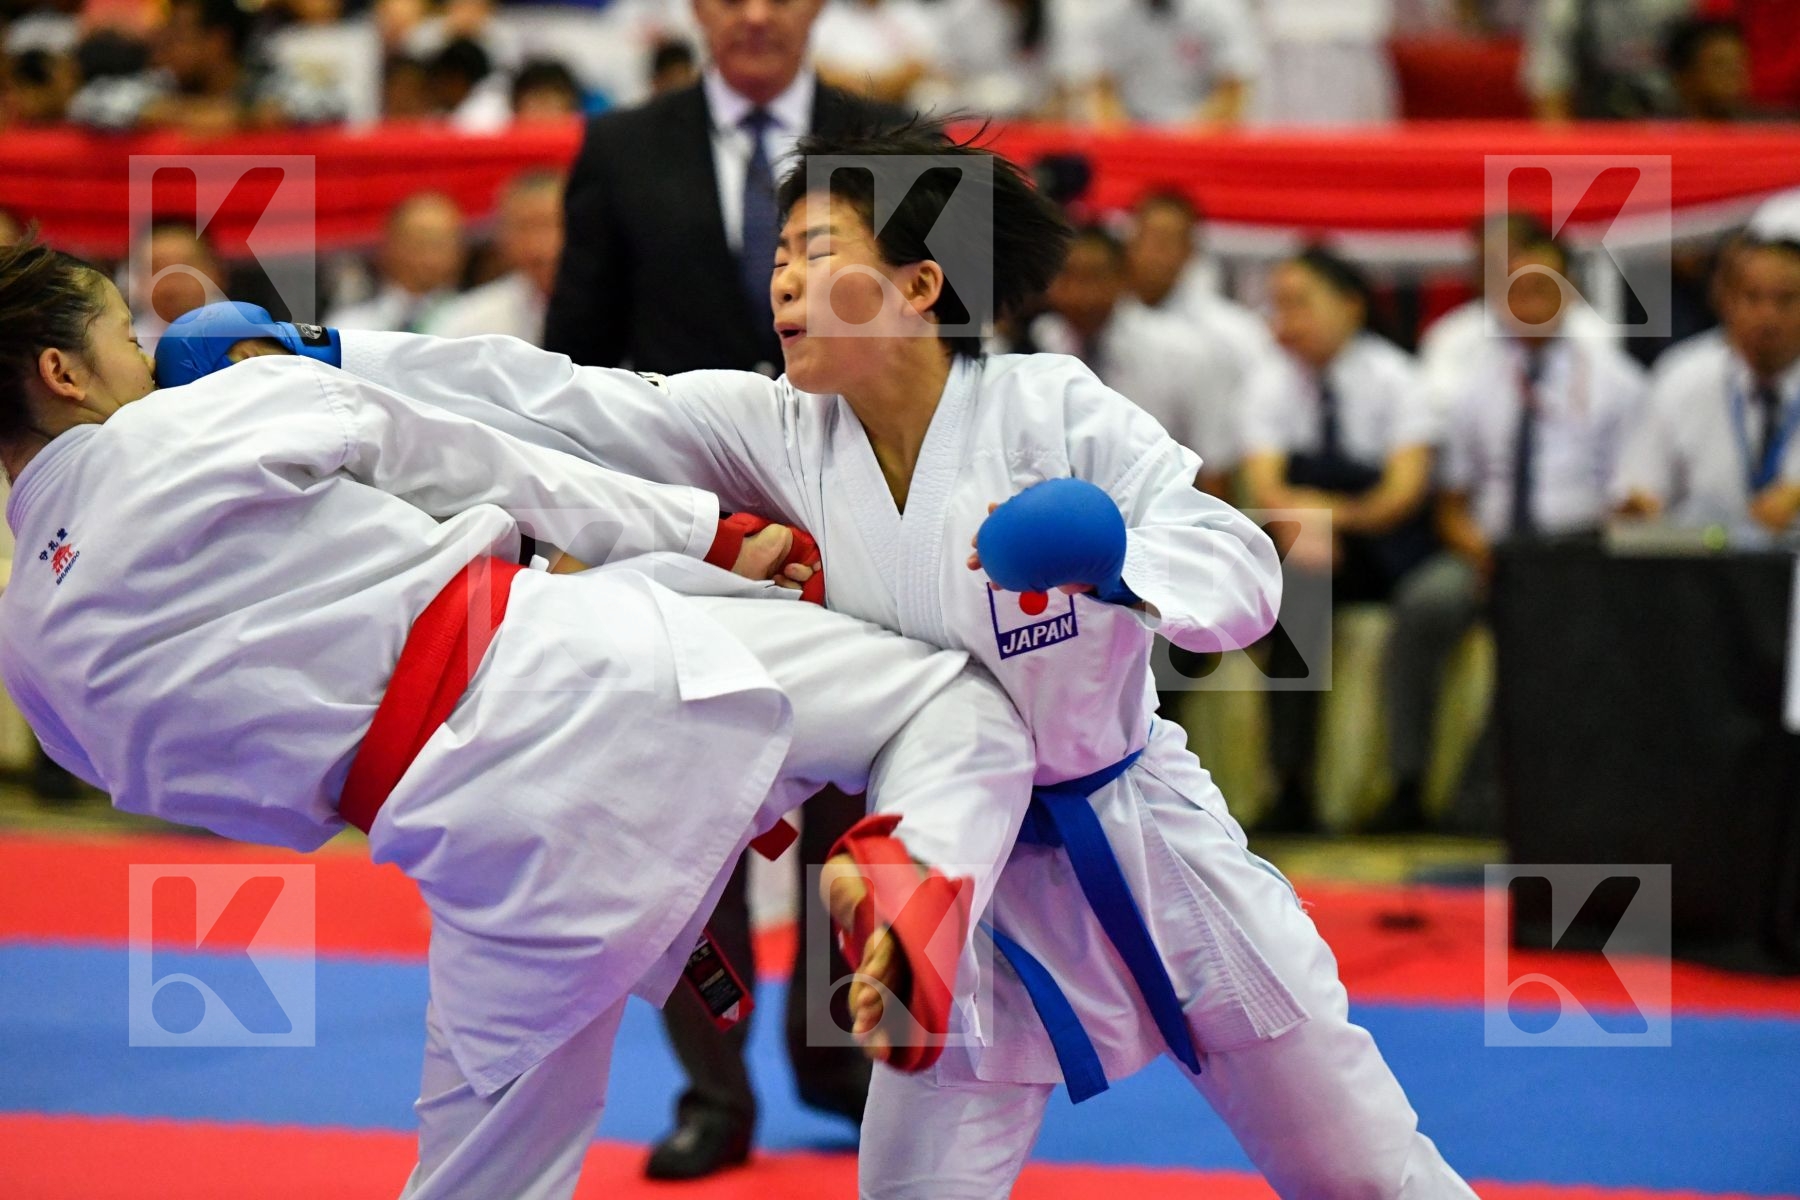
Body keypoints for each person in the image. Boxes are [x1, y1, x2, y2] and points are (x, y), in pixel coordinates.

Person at [261, 117, 1477, 1199]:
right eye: (780, 257)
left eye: (818, 254)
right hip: (948, 883)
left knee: (1365, 1175)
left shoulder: (1052, 409)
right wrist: (324, 353)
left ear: (918, 283)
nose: (783, 283)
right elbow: (563, 401)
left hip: (1147, 846)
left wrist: (1117, 568)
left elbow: (1246, 573)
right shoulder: (778, 428)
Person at [0, 235, 1038, 1200]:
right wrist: (706, 531)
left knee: (480, 1178)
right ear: (63, 374)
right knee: (955, 701)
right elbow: (477, 454)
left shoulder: (31, 654)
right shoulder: (198, 417)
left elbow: (179, 790)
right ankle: (915, 872)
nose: (150, 361)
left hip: (461, 845)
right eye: (125, 341)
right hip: (577, 671)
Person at [543, 0, 907, 1174]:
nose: (754, 13)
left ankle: (841, 1055)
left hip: (859, 493)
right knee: (684, 794)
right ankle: (714, 1088)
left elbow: (953, 326)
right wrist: (562, 519)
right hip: (683, 514)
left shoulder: (883, 138)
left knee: (853, 791)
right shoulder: (621, 147)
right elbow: (572, 357)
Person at [1381, 233, 1647, 833]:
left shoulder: (1616, 382)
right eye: (1515, 288)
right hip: (1486, 549)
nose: (1528, 301)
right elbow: (1451, 502)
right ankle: (1406, 781)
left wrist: (1561, 557)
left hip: (1574, 553)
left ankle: (1483, 801)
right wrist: (1478, 550)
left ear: (1573, 294)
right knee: (1420, 607)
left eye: (1542, 288)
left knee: (1546, 626)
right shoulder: (1477, 382)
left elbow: (1631, 501)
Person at [1239, 247, 1440, 834]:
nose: (1287, 320)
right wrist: (1308, 525)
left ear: (1351, 306)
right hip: (1310, 546)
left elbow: (1403, 491)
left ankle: (1407, 787)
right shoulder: (1269, 380)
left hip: (1390, 546)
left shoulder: (1399, 377)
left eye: (1301, 303)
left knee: (1426, 599)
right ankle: (1292, 784)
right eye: (1279, 305)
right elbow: (1267, 484)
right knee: (1296, 587)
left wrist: (1332, 517)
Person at [1027, 223, 1236, 494]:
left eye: (1094, 277)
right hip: (1057, 514)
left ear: (1124, 278)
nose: (1080, 294)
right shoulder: (1037, 345)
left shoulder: (1182, 352)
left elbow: (1214, 467)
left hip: (1159, 510)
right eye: (1067, 276)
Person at [1614, 235, 1800, 534]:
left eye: (1786, 299)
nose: (1768, 316)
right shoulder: (1681, 378)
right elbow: (1640, 489)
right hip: (1707, 569)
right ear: (1724, 300)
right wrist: (1636, 507)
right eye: (1752, 297)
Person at [1047, 0, 1263, 126]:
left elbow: (1234, 91)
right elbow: (1101, 87)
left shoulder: (1221, 10)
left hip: (1203, 134)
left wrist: (1187, 134)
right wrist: (1123, 135)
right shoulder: (1109, 14)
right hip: (1134, 132)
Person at [423, 171, 564, 345]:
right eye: (523, 227)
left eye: (551, 224)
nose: (539, 246)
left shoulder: (606, 311)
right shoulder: (467, 323)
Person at [327, 192, 466, 334]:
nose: (427, 254)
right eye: (417, 240)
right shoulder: (347, 326)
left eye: (439, 242)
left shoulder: (474, 323)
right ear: (388, 244)